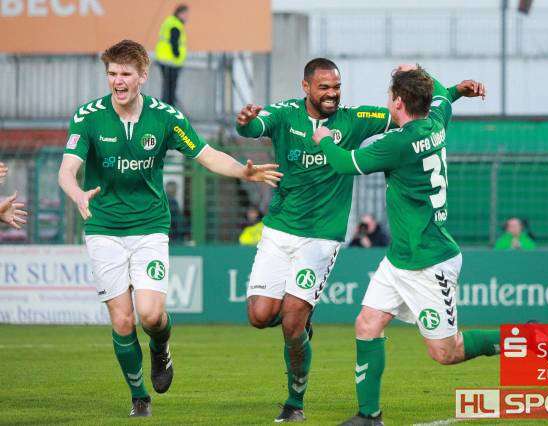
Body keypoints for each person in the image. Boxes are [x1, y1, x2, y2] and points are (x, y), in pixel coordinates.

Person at [58, 39, 281, 418]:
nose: (117, 81)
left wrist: (242, 171)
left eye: (125, 74)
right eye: (112, 74)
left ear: (143, 76)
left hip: (149, 227)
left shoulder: (165, 117)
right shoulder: (88, 116)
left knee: (150, 315)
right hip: (104, 229)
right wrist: (77, 193)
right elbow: (67, 169)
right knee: (122, 320)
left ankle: (160, 347)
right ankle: (139, 397)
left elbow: (205, 154)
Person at [313, 66, 500, 426]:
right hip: (400, 257)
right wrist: (448, 84)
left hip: (430, 260)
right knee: (367, 323)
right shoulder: (436, 120)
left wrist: (324, 139)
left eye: (390, 96)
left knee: (446, 352)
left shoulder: (397, 143)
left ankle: (524, 338)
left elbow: (345, 164)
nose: (387, 101)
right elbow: (443, 95)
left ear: (398, 102)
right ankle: (369, 416)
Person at [235, 58, 415, 422]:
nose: (332, 94)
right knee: (259, 316)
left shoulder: (354, 120)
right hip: (280, 229)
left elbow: (405, 115)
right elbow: (255, 126)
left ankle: (294, 402)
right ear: (306, 87)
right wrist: (245, 122)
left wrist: (445, 93)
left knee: (291, 324)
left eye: (336, 87)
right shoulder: (286, 114)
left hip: (321, 236)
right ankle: (303, 320)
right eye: (324, 88)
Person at [155, 4, 188, 106]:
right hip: (170, 61)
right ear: (179, 13)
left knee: (167, 87)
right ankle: (168, 109)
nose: (186, 17)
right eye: (185, 14)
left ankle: (166, 108)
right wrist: (177, 54)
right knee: (170, 89)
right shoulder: (175, 25)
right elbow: (174, 41)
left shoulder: (171, 21)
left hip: (166, 60)